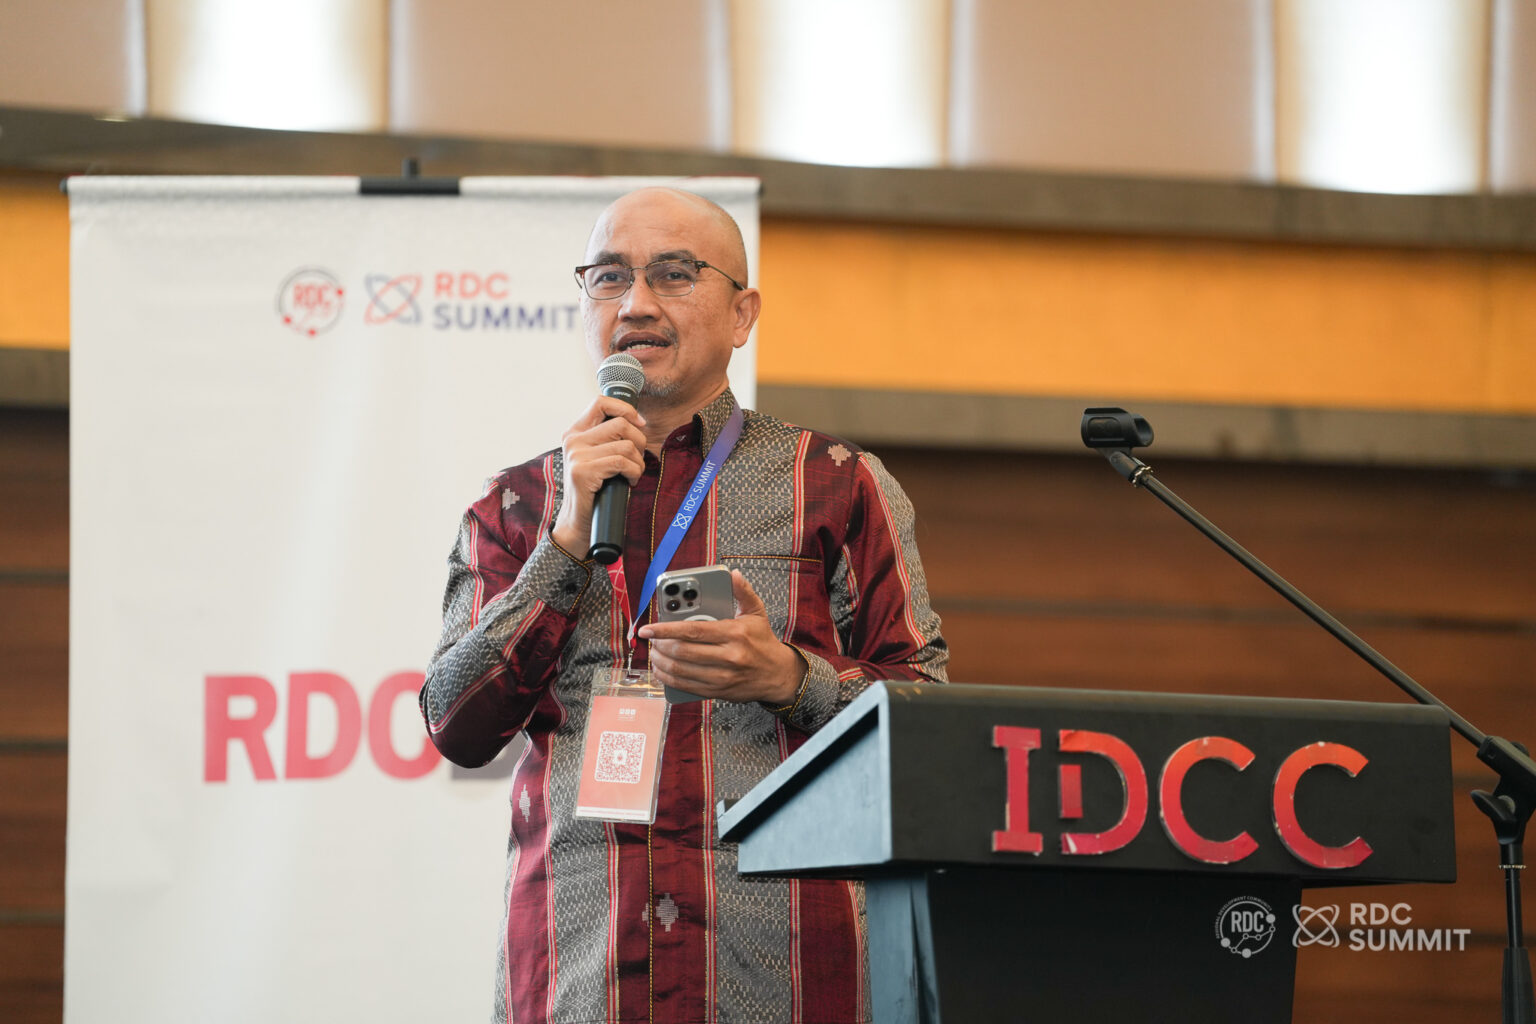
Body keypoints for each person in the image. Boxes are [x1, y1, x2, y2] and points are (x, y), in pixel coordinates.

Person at [420, 186, 948, 1024]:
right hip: (580, 977)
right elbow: (456, 723)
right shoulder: (518, 505)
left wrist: (790, 679)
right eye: (609, 277)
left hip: (787, 974)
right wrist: (564, 544)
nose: (635, 303)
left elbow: (932, 728)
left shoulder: (838, 485)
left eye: (673, 273)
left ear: (743, 314)